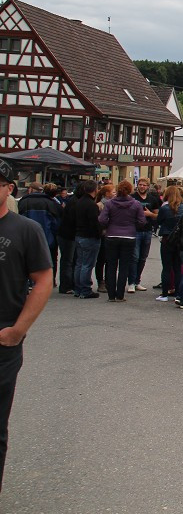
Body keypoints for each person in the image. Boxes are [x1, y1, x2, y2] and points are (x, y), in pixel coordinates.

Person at [0, 160, 53, 490]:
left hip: (2, 340)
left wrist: (18, 329)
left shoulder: (24, 230)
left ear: (9, 189)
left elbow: (44, 279)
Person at [98, 180, 146, 302]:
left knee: (111, 265)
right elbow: (142, 222)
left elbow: (102, 219)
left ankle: (111, 295)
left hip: (112, 235)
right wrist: (132, 225)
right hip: (129, 236)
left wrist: (110, 225)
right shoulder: (136, 204)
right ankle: (120, 294)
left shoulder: (110, 203)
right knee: (124, 266)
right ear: (130, 190)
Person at [17, 182, 61, 284]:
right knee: (48, 260)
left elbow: (20, 219)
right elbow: (55, 222)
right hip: (47, 237)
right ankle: (49, 280)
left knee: (27, 259)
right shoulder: (50, 202)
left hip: (27, 237)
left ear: (31, 189)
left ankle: (28, 282)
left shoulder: (24, 201)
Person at [71, 181, 101, 299]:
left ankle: (78, 288)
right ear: (95, 190)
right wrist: (100, 233)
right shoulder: (91, 205)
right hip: (89, 236)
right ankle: (85, 289)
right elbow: (94, 222)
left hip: (79, 234)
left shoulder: (78, 202)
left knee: (79, 263)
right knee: (87, 264)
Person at [154, 185, 183, 301]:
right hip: (179, 240)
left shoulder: (164, 208)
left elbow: (159, 221)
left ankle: (164, 294)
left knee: (166, 267)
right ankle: (178, 293)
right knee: (178, 268)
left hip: (167, 238)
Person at [131, 177, 160, 292]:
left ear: (148, 187)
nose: (142, 187)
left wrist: (149, 214)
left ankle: (138, 281)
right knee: (134, 257)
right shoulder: (132, 198)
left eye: (144, 185)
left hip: (148, 230)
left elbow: (157, 215)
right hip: (135, 230)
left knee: (143, 258)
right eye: (140, 184)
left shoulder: (153, 199)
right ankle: (131, 282)